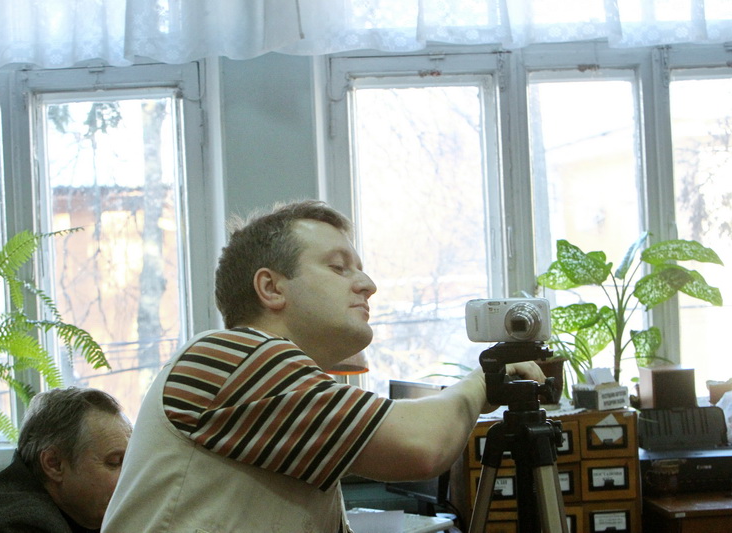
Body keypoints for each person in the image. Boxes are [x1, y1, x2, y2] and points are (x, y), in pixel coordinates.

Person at [102, 200, 544, 532]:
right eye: (338, 267)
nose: (368, 284)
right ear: (271, 288)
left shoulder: (270, 382)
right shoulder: (230, 355)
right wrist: (483, 382)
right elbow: (420, 446)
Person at [0, 387, 132, 533]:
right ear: (54, 464)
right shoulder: (20, 525)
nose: (129, 476)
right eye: (114, 462)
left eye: (130, 461)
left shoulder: (77, 510)